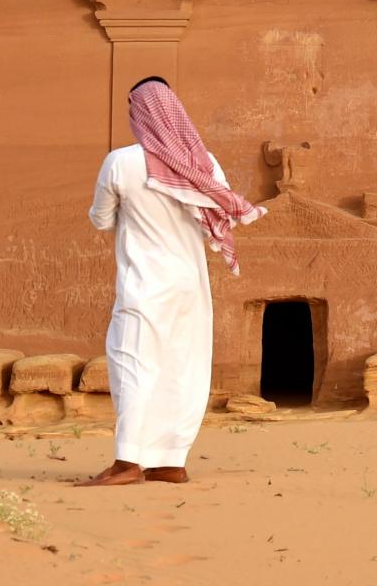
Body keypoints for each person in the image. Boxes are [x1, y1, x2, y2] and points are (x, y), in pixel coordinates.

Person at [76, 77, 264, 486]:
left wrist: (132, 214)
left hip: (145, 283)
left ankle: (127, 463)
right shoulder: (203, 163)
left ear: (139, 112)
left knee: (132, 362)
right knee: (183, 366)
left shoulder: (122, 162)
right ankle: (170, 461)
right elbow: (214, 215)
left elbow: (101, 219)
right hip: (190, 284)